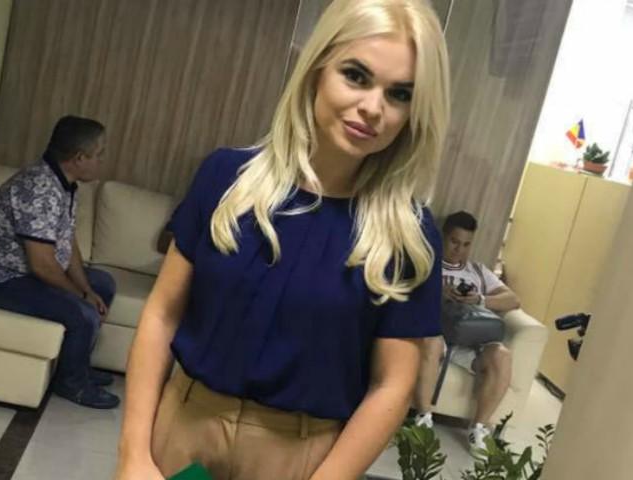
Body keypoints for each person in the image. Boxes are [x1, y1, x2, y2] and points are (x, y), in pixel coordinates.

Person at [115, 0, 451, 478]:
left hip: (301, 457)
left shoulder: (408, 235)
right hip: (185, 431)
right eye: (356, 76)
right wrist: (133, 454)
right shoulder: (225, 178)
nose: (373, 108)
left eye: (399, 94)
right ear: (316, 71)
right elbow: (162, 314)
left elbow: (391, 387)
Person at [0, 116, 119, 409]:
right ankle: (72, 384)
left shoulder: (65, 184)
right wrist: (81, 296)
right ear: (79, 158)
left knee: (103, 284)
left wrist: (87, 288)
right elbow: (43, 265)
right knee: (83, 312)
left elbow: (66, 243)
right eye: (98, 154)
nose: (101, 161)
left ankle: (78, 366)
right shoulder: (39, 188)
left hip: (24, 272)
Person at [413, 211, 521, 453]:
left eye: (466, 244)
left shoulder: (478, 271)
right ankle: (423, 418)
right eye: (454, 242)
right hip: (438, 334)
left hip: (471, 342)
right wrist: (438, 292)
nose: (459, 250)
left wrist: (479, 299)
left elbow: (513, 300)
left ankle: (478, 428)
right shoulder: (428, 265)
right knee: (431, 342)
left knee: (502, 355)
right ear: (443, 237)